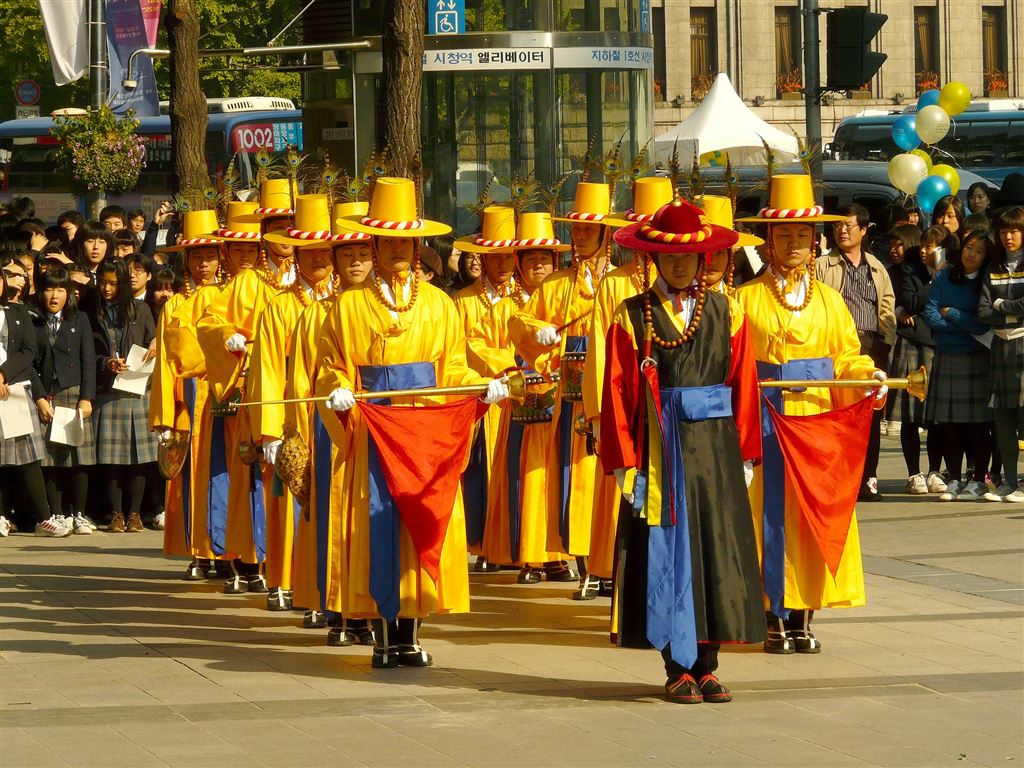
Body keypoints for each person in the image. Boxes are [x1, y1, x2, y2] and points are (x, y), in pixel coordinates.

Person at [316, 176, 509, 667]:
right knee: (380, 528)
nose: (398, 250)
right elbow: (329, 364)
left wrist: (481, 385)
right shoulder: (348, 305)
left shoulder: (441, 305)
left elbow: (453, 367)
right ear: (374, 243)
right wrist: (336, 389)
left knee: (420, 523)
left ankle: (412, 633)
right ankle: (382, 635)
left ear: (417, 244)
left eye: (406, 240)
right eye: (388, 241)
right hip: (375, 432)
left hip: (423, 434)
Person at [600, 196, 766, 703]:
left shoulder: (727, 311)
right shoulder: (632, 315)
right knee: (668, 554)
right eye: (670, 256)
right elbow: (617, 392)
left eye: (690, 256)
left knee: (715, 552)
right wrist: (626, 465)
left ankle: (710, 664)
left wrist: (745, 454)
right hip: (661, 449)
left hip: (715, 454)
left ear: (703, 259)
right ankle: (676, 666)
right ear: (654, 258)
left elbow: (744, 382)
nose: (680, 264)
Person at [736, 174, 886, 655]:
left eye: (803, 235)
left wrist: (867, 378)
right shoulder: (744, 299)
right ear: (770, 239)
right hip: (766, 420)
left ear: (813, 240)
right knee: (767, 517)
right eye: (785, 235)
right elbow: (734, 364)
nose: (794, 243)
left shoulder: (830, 299)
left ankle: (803, 616)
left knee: (811, 515)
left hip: (817, 422)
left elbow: (846, 356)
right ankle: (770, 614)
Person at [508, 181, 621, 600]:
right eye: (576, 230)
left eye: (590, 231)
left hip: (612, 390)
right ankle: (585, 563)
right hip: (568, 398)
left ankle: (610, 560)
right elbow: (518, 323)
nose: (581, 237)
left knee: (608, 477)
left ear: (607, 234)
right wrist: (538, 332)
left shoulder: (622, 283)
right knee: (573, 478)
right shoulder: (555, 286)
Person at [467, 211, 573, 584]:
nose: (539, 265)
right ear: (519, 263)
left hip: (560, 400)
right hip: (522, 398)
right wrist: (513, 368)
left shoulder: (566, 297)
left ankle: (557, 553)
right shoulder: (506, 308)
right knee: (526, 475)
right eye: (531, 258)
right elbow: (476, 344)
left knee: (557, 475)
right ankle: (529, 555)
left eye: (545, 257)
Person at [286, 200, 374, 643]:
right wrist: (291, 430)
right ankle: (338, 608)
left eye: (363, 252)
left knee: (371, 519)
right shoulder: (314, 314)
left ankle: (373, 608)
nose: (355, 261)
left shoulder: (391, 310)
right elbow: (301, 379)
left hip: (380, 429)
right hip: (331, 429)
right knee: (332, 518)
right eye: (347, 253)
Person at [581, 176, 673, 591]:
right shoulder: (615, 285)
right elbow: (601, 353)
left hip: (674, 408)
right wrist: (600, 415)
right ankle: (626, 576)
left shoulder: (693, 288)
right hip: (632, 409)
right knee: (629, 492)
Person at [249, 195, 338, 612]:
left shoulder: (347, 303)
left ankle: (334, 584)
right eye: (310, 251)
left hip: (340, 415)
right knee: (293, 502)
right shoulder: (279, 307)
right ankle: (285, 578)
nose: (319, 259)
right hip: (295, 415)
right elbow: (266, 368)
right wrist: (269, 428)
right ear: (295, 254)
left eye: (326, 251)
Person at [196, 196, 285, 594]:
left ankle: (297, 562)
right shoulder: (247, 283)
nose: (285, 234)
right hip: (258, 388)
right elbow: (209, 322)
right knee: (255, 477)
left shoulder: (321, 282)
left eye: (290, 224)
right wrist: (226, 335)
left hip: (301, 392)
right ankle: (253, 556)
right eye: (277, 226)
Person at [150, 208, 227, 578]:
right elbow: (165, 364)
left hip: (223, 394)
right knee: (192, 475)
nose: (204, 264)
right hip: (189, 398)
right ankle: (199, 550)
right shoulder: (175, 306)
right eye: (197, 256)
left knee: (225, 473)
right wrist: (165, 415)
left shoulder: (230, 299)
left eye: (210, 255)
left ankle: (230, 549)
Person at [453, 206, 519, 566]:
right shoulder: (462, 302)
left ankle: (513, 543)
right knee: (480, 472)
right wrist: (499, 368)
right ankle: (483, 544)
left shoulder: (527, 299)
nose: (505, 264)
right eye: (497, 256)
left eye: (510, 255)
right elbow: (460, 347)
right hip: (482, 399)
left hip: (519, 396)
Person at [816, 203, 896, 502]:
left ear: (864, 230)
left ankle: (869, 477)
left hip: (870, 344)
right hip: (836, 347)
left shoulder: (877, 267)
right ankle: (842, 477)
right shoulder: (823, 265)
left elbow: (886, 305)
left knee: (870, 415)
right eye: (838, 225)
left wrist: (886, 339)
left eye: (849, 225)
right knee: (839, 412)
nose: (843, 230)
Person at [923, 228, 996, 502]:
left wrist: (953, 314)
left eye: (979, 251)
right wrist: (963, 325)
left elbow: (983, 322)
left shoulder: (986, 282)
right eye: (969, 248)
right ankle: (953, 478)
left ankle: (977, 480)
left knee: (977, 425)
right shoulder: (943, 276)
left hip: (976, 357)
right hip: (947, 355)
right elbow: (930, 316)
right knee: (949, 423)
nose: (971, 254)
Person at [91, 258, 158, 532]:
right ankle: (116, 512)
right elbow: (88, 351)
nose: (107, 288)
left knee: (139, 456)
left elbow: (152, 338)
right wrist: (106, 363)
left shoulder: (140, 308)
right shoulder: (90, 310)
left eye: (113, 283)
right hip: (108, 389)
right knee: (112, 456)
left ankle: (135, 513)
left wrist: (155, 342)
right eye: (103, 282)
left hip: (136, 387)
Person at [32, 267, 98, 534]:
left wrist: (87, 397)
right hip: (47, 394)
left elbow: (88, 360)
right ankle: (57, 512)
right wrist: (38, 397)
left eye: (61, 289)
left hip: (73, 390)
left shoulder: (80, 319)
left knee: (77, 455)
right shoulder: (32, 320)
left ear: (69, 293)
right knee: (51, 458)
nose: (55, 295)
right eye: (49, 289)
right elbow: (29, 362)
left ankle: (78, 513)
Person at [0, 259, 63, 537]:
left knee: (28, 456)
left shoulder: (18, 312)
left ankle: (44, 517)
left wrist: (2, 374)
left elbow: (28, 352)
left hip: (14, 390)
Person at [978, 205, 1024, 502]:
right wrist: (1009, 311)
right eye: (1003, 231)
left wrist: (1000, 307)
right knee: (1003, 420)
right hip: (999, 347)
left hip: (1023, 346)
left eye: (1015, 230)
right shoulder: (992, 269)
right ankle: (1008, 481)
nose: (1008, 236)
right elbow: (982, 311)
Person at [894, 232, 944, 494]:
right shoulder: (910, 268)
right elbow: (911, 301)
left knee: (936, 416)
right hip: (913, 342)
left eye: (932, 246)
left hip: (940, 344)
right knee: (910, 415)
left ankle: (935, 470)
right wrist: (937, 280)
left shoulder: (953, 268)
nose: (925, 250)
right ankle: (914, 473)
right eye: (923, 244)